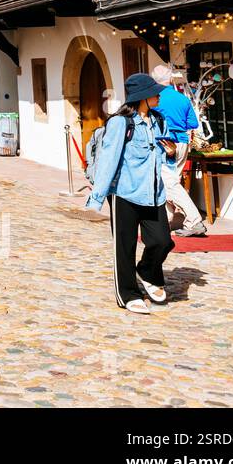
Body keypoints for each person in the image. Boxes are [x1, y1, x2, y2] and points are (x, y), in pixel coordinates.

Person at [85, 73, 175, 315]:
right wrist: (97, 198)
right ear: (142, 97)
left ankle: (147, 271)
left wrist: (171, 153)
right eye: (155, 92)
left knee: (162, 241)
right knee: (124, 247)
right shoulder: (120, 123)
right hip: (124, 193)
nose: (159, 95)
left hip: (153, 193)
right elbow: (108, 161)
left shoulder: (158, 121)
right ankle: (127, 294)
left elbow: (162, 155)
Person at [152, 65, 207, 237]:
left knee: (169, 182)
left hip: (164, 142)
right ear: (171, 79)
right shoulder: (182, 98)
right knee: (171, 181)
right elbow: (193, 124)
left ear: (154, 79)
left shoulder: (155, 98)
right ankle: (165, 222)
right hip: (182, 142)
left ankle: (194, 220)